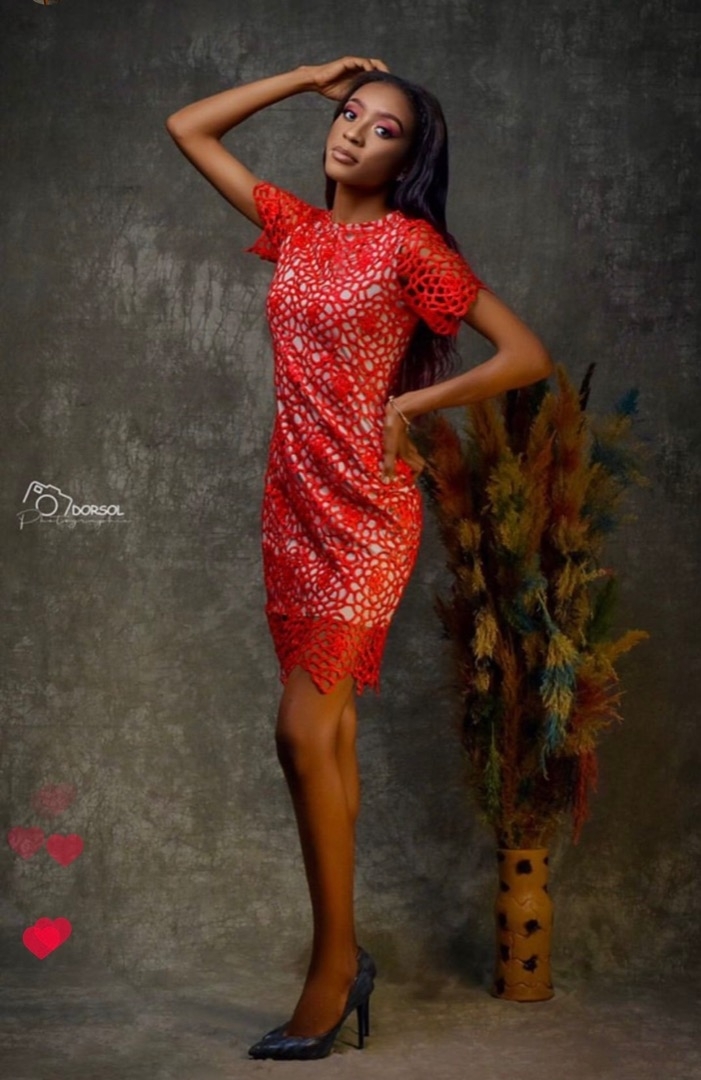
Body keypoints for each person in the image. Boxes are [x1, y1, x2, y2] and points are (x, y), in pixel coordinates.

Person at [165, 55, 553, 1061]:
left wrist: (411, 405)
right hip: (290, 500)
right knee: (324, 733)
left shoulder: (410, 247)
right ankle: (343, 956)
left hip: (367, 510)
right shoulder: (296, 230)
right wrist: (303, 77)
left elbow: (524, 354)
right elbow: (188, 128)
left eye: (382, 129)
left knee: (301, 730)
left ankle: (332, 965)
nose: (352, 132)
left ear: (406, 160)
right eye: (348, 114)